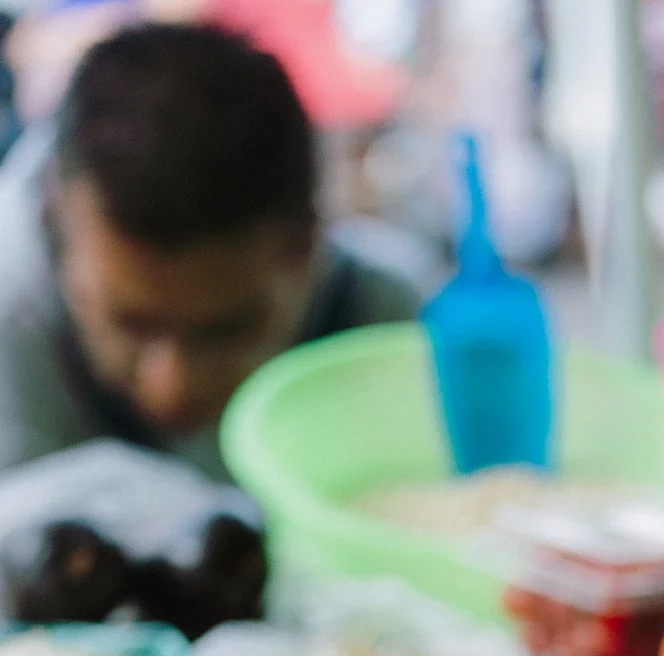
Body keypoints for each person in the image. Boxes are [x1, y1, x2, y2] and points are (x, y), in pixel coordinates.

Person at [0, 18, 423, 477]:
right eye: (131, 324)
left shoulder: (393, 327)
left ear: (308, 248)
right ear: (54, 220)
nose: (172, 390)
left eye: (225, 331)